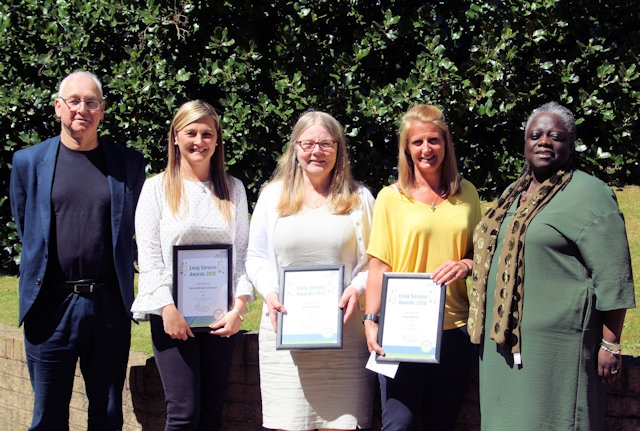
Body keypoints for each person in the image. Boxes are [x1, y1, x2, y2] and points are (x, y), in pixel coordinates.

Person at [467, 102, 636, 430]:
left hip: (557, 351)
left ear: (570, 145)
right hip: (502, 347)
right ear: (525, 144)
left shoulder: (589, 195)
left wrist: (610, 343)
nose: (544, 141)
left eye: (555, 136)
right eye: (536, 135)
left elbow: (614, 275)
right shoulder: (512, 194)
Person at [9, 71, 146, 430]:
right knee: (48, 415)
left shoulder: (128, 164)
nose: (81, 109)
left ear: (102, 110)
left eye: (91, 102)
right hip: (50, 305)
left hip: (107, 305)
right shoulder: (27, 162)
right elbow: (29, 229)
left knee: (106, 413)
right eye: (74, 101)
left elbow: (135, 228)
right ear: (58, 107)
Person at [246, 110, 376, 430]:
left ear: (338, 149)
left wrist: (355, 289)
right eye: (308, 143)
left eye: (326, 144)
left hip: (345, 338)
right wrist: (270, 291)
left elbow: (374, 261)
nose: (316, 151)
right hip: (284, 335)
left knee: (343, 424)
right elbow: (256, 257)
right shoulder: (271, 197)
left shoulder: (360, 199)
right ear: (295, 149)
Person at [130, 100, 253, 430]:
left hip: (219, 318)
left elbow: (241, 256)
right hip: (172, 317)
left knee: (213, 409)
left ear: (217, 140)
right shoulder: (156, 189)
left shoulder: (234, 189)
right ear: (175, 137)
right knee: (183, 413)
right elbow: (150, 258)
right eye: (191, 133)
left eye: (207, 134)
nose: (199, 141)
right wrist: (168, 310)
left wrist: (238, 310)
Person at [363, 104, 481, 430]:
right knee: (399, 423)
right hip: (401, 331)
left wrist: (466, 264)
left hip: (453, 328)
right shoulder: (390, 197)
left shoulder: (467, 193)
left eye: (434, 140)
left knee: (441, 423)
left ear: (446, 144)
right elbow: (378, 263)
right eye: (417, 142)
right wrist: (371, 320)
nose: (426, 149)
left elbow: (482, 254)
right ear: (406, 148)